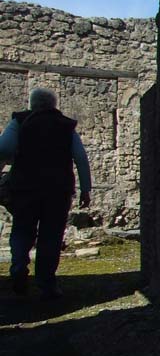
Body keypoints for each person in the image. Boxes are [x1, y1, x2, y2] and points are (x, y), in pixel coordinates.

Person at [0, 87, 91, 298]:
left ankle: (18, 267)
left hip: (25, 187)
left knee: (22, 229)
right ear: (53, 104)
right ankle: (46, 283)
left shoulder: (20, 121)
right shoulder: (66, 126)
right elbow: (80, 158)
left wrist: (12, 162)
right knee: (51, 235)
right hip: (57, 190)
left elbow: (3, 148)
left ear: (32, 104)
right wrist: (85, 189)